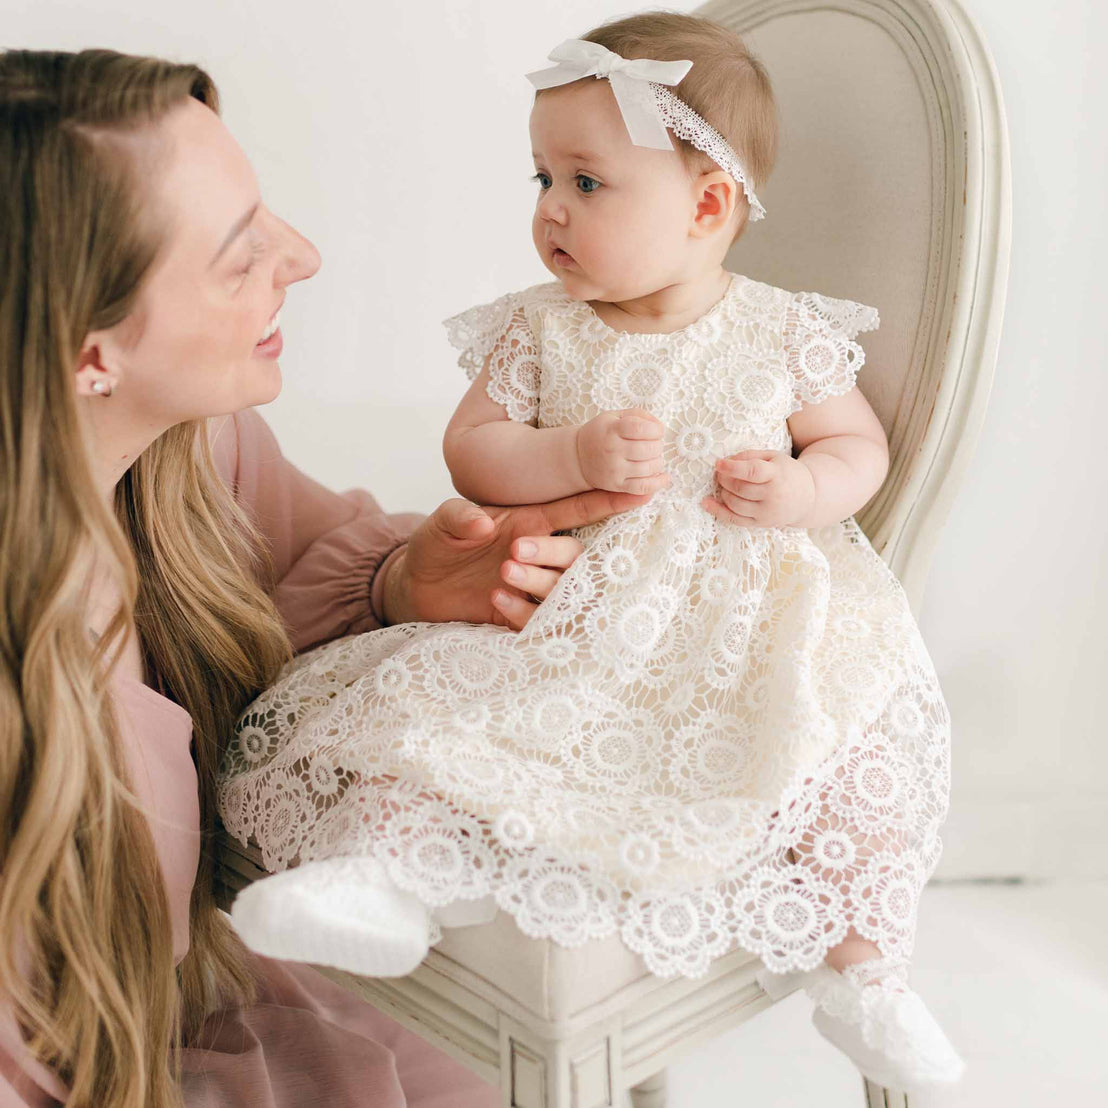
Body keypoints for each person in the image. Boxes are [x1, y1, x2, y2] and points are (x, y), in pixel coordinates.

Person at [217, 10, 967, 1093]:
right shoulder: (538, 327)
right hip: (567, 617)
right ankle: (378, 875)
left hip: (740, 624)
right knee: (435, 712)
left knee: (846, 754)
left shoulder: (778, 329)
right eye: (540, 180)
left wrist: (804, 484)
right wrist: (565, 448)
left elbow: (859, 445)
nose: (550, 212)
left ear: (708, 205)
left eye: (586, 183)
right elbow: (473, 452)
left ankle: (863, 974)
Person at [0, 47, 651, 1106]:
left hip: (196, 1000)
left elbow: (305, 557)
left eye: (268, 217)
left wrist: (405, 581)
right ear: (89, 352)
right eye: (235, 255)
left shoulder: (190, 453)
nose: (299, 257)